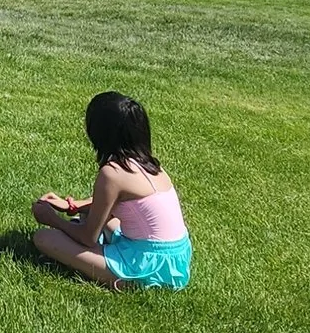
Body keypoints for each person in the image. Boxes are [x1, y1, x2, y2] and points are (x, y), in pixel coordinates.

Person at [29, 91, 192, 290]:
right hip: (174, 262)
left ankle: (125, 277)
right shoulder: (150, 165)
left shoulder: (112, 173)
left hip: (145, 267)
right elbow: (112, 205)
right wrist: (73, 206)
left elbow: (87, 238)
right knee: (101, 219)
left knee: (45, 238)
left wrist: (52, 219)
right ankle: (102, 245)